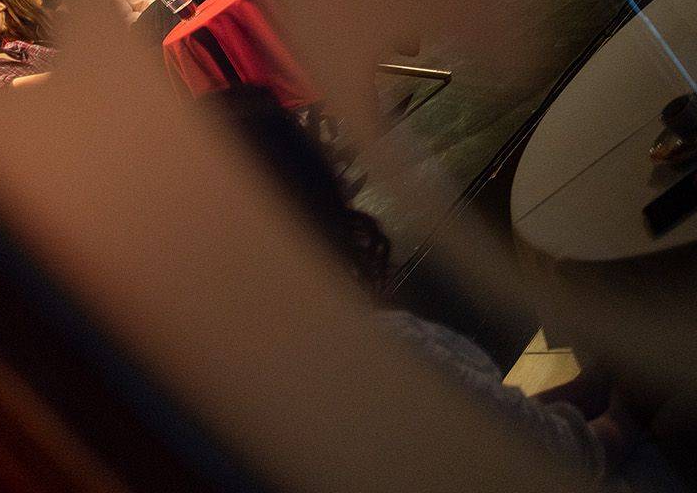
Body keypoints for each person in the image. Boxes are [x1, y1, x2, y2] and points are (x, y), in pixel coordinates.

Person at [204, 84, 636, 485]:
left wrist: (582, 391)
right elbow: (569, 459)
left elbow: (476, 427)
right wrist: (630, 406)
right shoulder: (382, 350)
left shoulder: (248, 389)